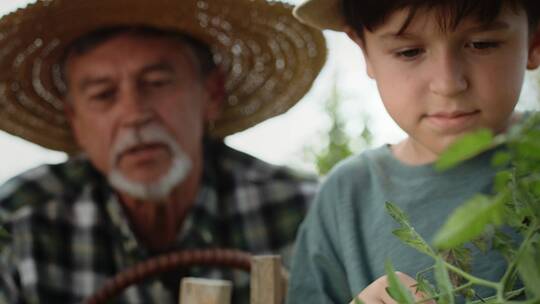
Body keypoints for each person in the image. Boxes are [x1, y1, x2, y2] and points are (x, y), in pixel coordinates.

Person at [0, 0, 326, 303]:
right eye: (103, 94)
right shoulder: (18, 222)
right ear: (75, 123)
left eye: (156, 82)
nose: (134, 114)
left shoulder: (304, 210)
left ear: (211, 94)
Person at [287, 0, 540, 303]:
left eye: (481, 44)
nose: (447, 84)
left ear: (534, 42)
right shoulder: (345, 197)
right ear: (364, 51)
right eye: (409, 52)